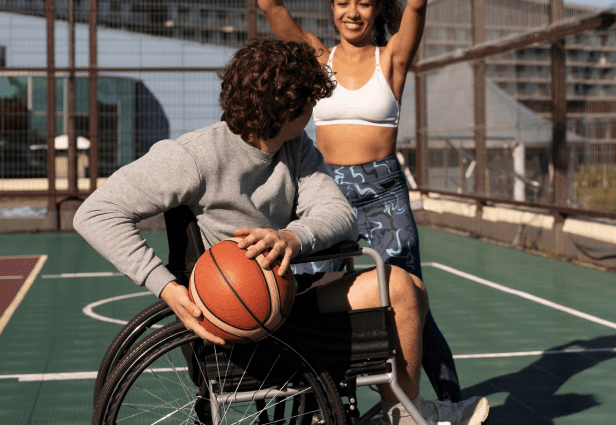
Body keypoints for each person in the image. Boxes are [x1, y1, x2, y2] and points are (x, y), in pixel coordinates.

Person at [75, 39, 488, 425]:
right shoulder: (193, 156)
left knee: (404, 286)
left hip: (288, 292)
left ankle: (403, 413)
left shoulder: (296, 148)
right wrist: (166, 287)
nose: (314, 110)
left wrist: (292, 236)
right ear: (286, 110)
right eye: (309, 103)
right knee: (394, 283)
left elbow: (339, 213)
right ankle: (408, 412)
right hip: (240, 309)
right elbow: (95, 214)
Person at [239, 0, 461, 402]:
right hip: (323, 192)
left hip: (383, 191)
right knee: (318, 299)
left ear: (377, 8)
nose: (351, 12)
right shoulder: (319, 59)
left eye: (362, 3)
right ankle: (326, 403)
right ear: (333, 7)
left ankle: (442, 403)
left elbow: (420, 7)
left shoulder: (393, 58)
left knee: (409, 299)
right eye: (342, 2)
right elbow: (274, 10)